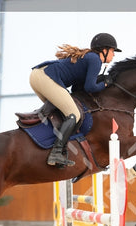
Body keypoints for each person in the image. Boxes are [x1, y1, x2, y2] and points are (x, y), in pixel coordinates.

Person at [30, 33, 121, 167]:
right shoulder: (95, 59)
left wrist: (99, 81)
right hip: (46, 77)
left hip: (37, 76)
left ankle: (56, 148)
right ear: (104, 50)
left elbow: (77, 88)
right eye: (113, 51)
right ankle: (56, 153)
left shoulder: (89, 57)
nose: (114, 55)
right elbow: (90, 86)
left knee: (61, 114)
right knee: (74, 114)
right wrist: (105, 84)